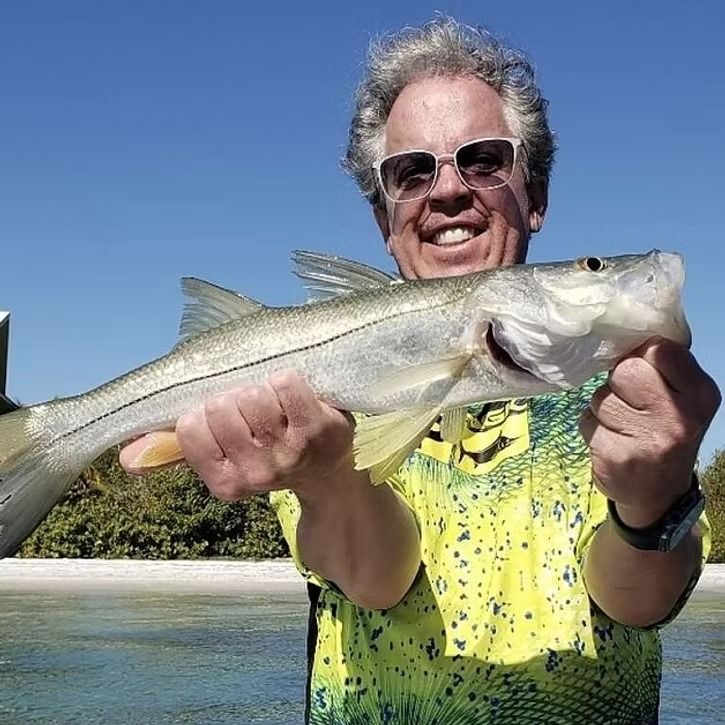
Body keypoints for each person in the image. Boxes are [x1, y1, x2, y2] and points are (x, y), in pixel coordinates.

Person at [121, 17, 721, 724]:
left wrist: (652, 498)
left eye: (484, 160)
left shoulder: (618, 393)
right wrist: (325, 475)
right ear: (384, 219)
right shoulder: (327, 397)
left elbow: (638, 600)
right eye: (411, 172)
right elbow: (377, 581)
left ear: (535, 196)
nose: (447, 191)